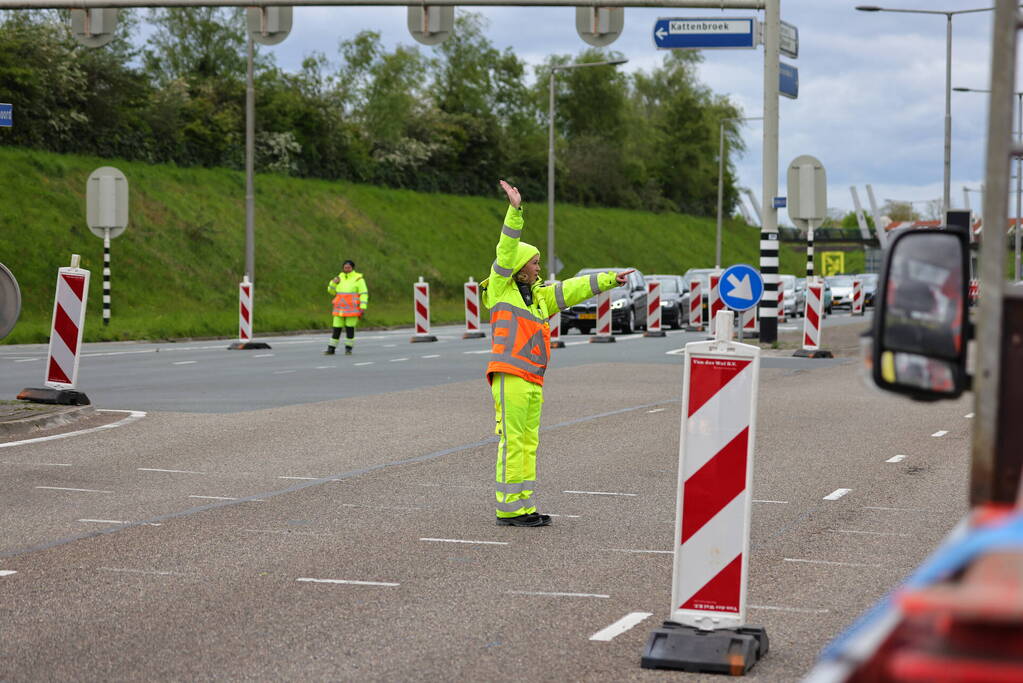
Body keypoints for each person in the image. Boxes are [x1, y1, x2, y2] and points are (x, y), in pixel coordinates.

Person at [481, 180, 631, 527]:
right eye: (533, 263)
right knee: (513, 441)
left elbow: (573, 289)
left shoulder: (538, 297)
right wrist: (515, 212)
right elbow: (506, 250)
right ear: (518, 267)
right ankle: (508, 509)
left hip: (532, 377)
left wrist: (610, 279)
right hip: (510, 373)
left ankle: (522, 504)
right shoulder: (502, 288)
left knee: (528, 442)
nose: (537, 267)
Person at [325, 260, 368, 355]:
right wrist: (333, 283)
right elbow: (331, 292)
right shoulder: (339, 278)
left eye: (348, 267)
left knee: (350, 329)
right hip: (339, 309)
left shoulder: (358, 279)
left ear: (352, 268)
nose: (347, 269)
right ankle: (331, 349)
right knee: (336, 329)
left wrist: (362, 307)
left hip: (352, 310)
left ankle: (348, 349)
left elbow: (363, 294)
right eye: (345, 267)